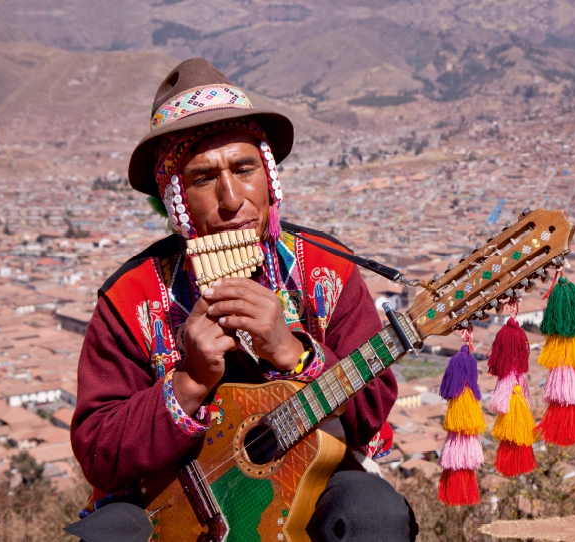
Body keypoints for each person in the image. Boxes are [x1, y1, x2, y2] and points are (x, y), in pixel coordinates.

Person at [70, 58, 418, 541]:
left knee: (372, 513)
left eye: (244, 168)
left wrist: (293, 353)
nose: (231, 199)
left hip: (307, 474)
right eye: (203, 178)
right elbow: (98, 454)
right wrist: (188, 382)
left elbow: (371, 410)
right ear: (176, 201)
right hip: (165, 497)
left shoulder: (328, 269)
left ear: (269, 180)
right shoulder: (131, 298)